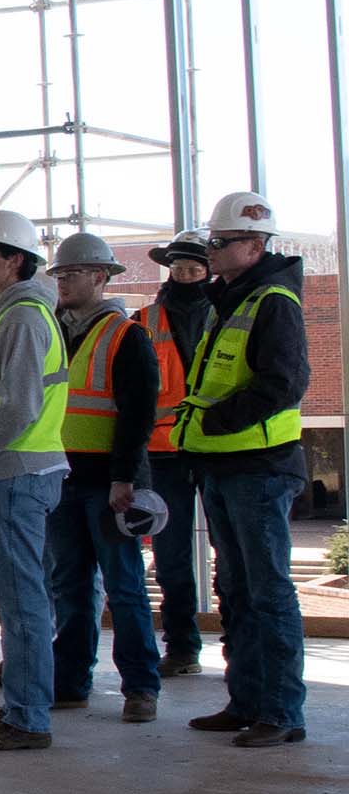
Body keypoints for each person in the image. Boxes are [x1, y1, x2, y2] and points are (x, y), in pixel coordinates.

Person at [177, 191, 310, 749]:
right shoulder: (230, 298)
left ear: (254, 245)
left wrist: (217, 423)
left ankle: (280, 712)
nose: (212, 250)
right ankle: (248, 701)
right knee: (235, 588)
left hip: (257, 464)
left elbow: (284, 383)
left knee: (267, 590)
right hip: (226, 464)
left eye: (222, 242)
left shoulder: (272, 301)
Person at [0, 210, 71, 753]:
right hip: (27, 468)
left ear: (15, 260)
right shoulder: (19, 315)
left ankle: (28, 718)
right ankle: (24, 703)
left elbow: (17, 407)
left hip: (17, 470)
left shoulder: (22, 318)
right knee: (22, 597)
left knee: (22, 600)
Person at [44, 233, 163, 723]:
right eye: (59, 276)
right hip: (62, 476)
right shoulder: (53, 331)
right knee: (68, 585)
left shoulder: (126, 336)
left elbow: (137, 415)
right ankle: (70, 682)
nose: (63, 283)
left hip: (106, 484)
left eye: (70, 275)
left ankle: (140, 688)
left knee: (125, 586)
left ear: (100, 276)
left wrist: (124, 478)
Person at [141, 229, 216, 674]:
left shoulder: (226, 315)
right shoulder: (146, 319)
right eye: (178, 268)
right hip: (162, 451)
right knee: (170, 555)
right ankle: (182, 646)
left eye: (194, 268)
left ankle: (236, 646)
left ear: (208, 271)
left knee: (232, 555)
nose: (185, 276)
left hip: (216, 448)